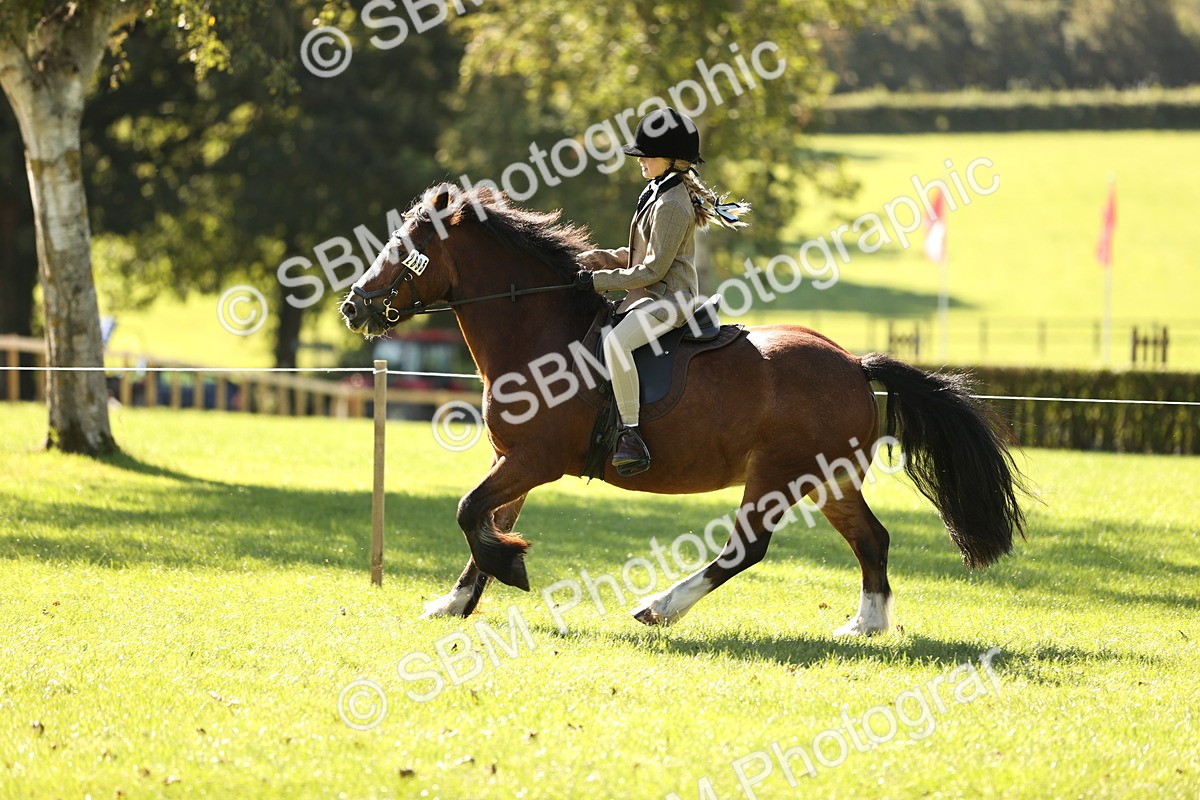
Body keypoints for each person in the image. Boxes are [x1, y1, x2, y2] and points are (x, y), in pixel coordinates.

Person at [574, 107, 750, 477]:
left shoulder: (671, 204)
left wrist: (598, 283)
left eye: (648, 155)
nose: (641, 161)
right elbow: (641, 254)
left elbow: (654, 269)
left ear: (672, 160)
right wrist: (601, 258)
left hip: (671, 301)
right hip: (649, 295)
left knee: (616, 344)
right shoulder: (657, 191)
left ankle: (631, 435)